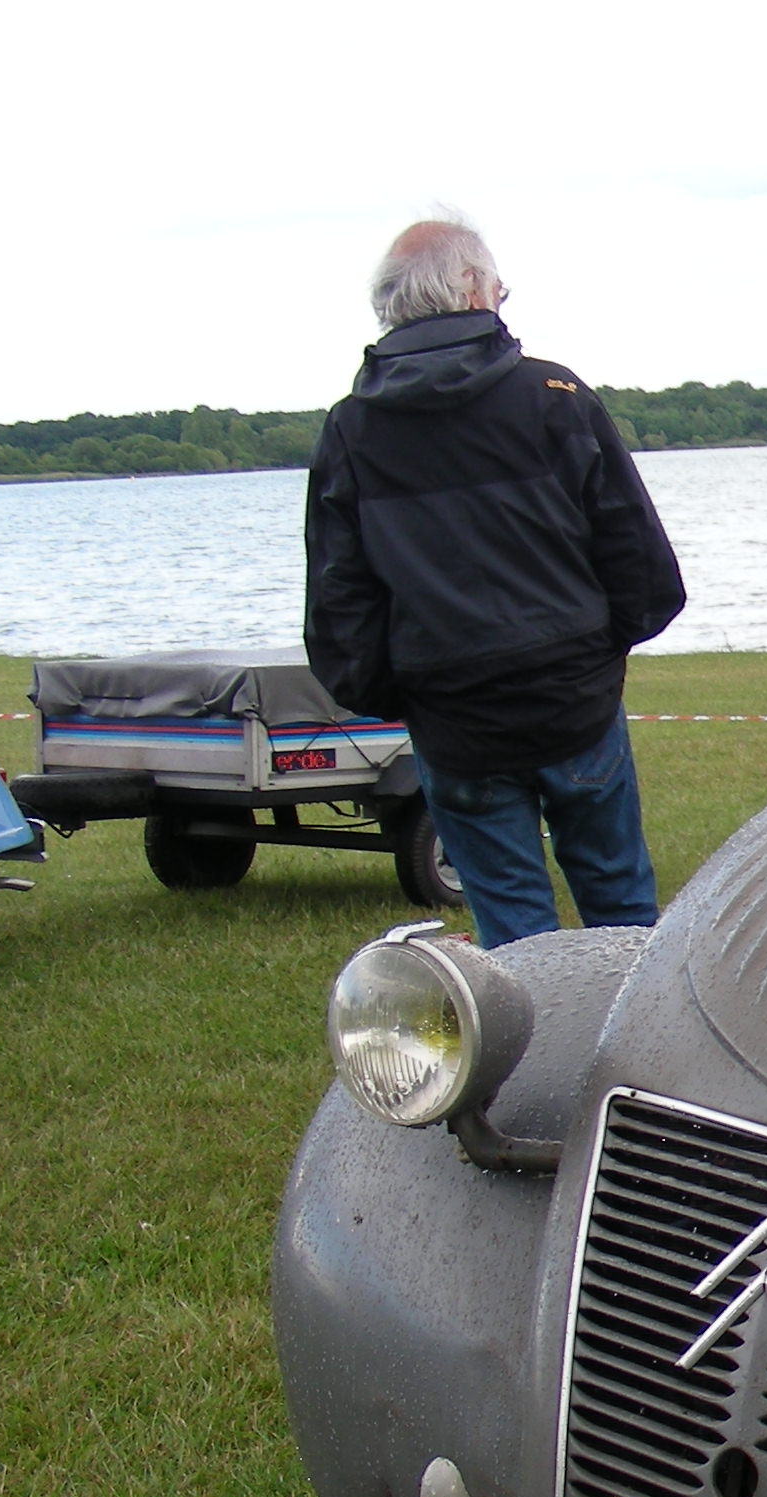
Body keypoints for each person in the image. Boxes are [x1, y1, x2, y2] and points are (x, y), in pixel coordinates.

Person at [304, 218, 685, 950]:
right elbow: (640, 562)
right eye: (499, 288)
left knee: (515, 938)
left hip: (459, 714)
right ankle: (635, 1025)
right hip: (564, 699)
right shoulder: (552, 394)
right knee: (621, 912)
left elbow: (340, 604)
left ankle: (536, 1027)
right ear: (474, 289)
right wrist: (595, 654)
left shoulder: (352, 429)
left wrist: (408, 691)